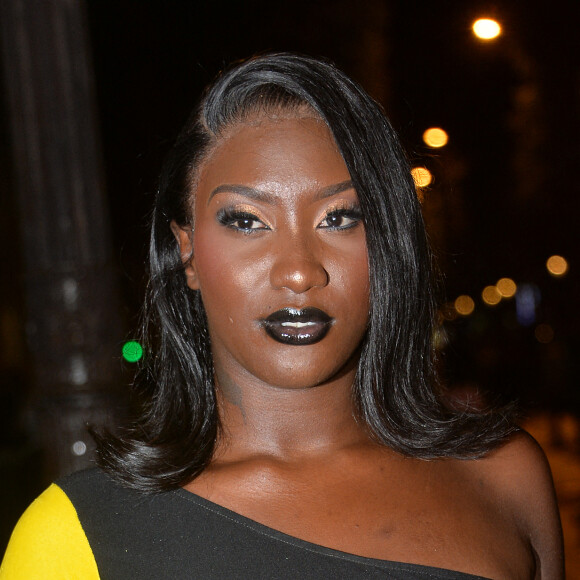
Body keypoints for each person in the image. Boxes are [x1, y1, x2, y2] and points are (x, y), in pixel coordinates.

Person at [1, 53, 563, 579]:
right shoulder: (79, 534)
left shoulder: (503, 476)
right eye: (246, 221)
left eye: (340, 217)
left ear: (388, 243)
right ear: (187, 251)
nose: (299, 271)